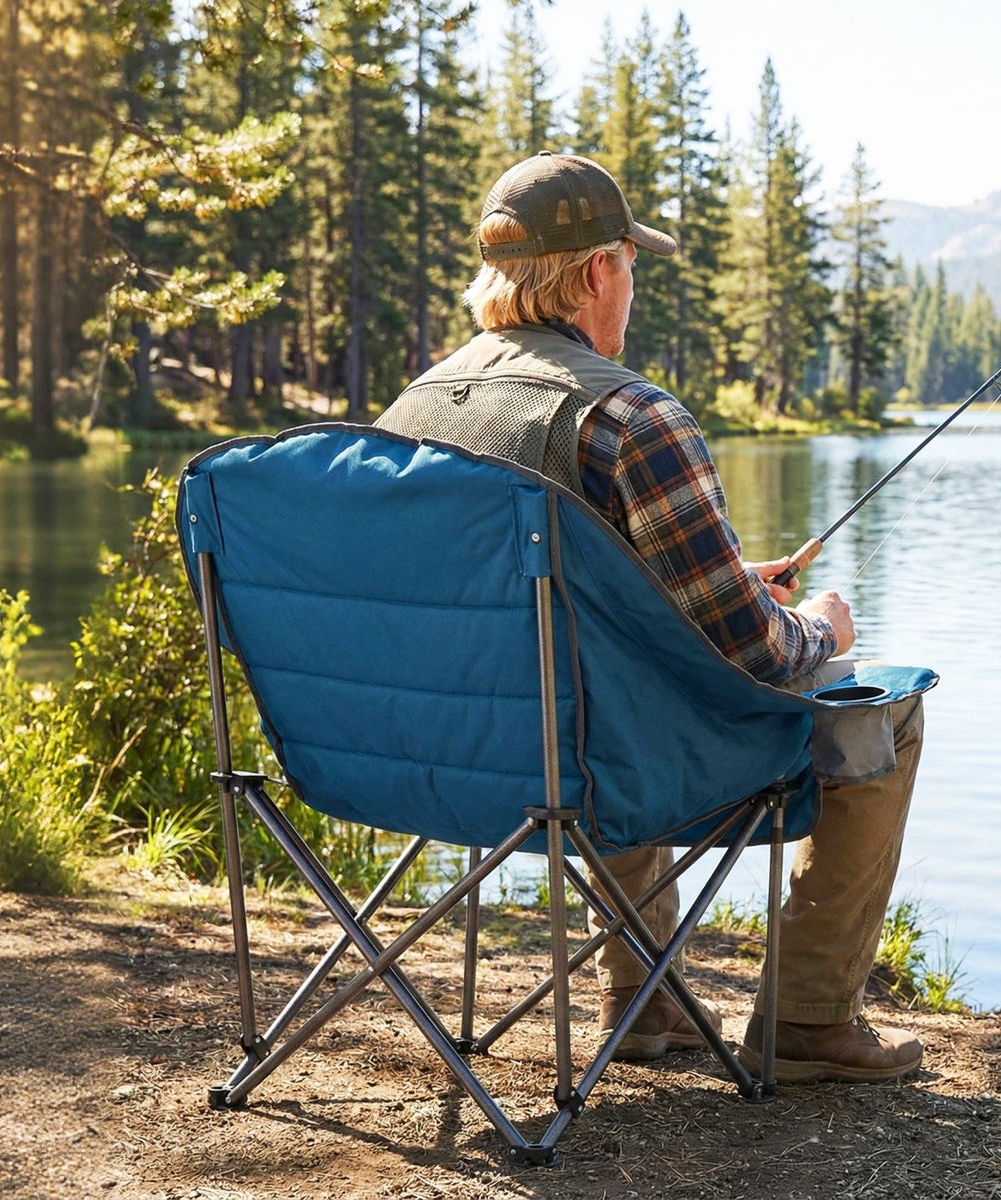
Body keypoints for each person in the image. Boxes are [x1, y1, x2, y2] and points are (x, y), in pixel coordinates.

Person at [376, 151, 925, 1083]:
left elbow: (566, 592)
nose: (630, 284)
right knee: (885, 713)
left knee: (591, 679)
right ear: (598, 270)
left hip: (439, 754)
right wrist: (823, 628)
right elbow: (754, 655)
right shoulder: (632, 416)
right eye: (630, 262)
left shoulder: (409, 414)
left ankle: (645, 1000)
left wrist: (715, 581)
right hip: (600, 760)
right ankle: (805, 1022)